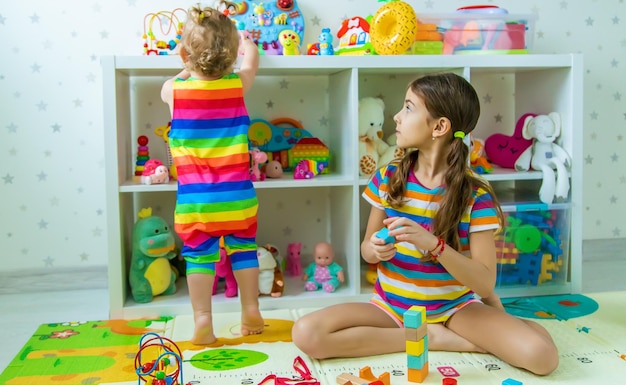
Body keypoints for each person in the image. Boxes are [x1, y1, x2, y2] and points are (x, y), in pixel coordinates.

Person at [292, 73, 559, 375]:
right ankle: (427, 337)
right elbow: (366, 250)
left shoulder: (476, 195)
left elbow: (484, 283)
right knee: (306, 332)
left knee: (542, 356)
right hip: (391, 307)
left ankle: (474, 329)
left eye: (408, 108)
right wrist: (375, 250)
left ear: (440, 127)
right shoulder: (389, 178)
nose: (396, 116)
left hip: (454, 309)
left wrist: (432, 244)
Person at [160, 2, 263, 345]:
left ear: (185, 54)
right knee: (244, 249)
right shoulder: (237, 85)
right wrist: (248, 44)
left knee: (199, 258)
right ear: (231, 56)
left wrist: (185, 67)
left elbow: (175, 79)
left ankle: (203, 318)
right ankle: (250, 309)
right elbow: (251, 62)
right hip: (238, 197)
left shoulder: (174, 90)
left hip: (196, 202)